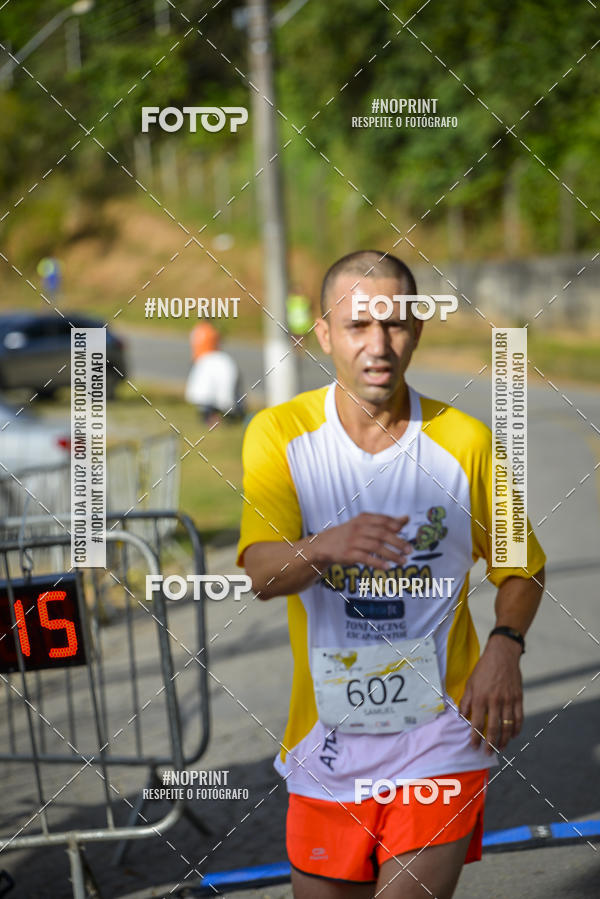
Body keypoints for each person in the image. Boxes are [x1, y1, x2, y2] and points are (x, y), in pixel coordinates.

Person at [236, 250, 545, 899]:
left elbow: (522, 567)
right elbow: (263, 573)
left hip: (440, 741)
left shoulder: (467, 442)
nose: (379, 345)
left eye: (396, 324)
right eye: (358, 326)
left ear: (417, 329)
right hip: (325, 744)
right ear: (324, 333)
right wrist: (328, 544)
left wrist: (504, 647)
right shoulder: (280, 435)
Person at [185, 322, 245, 423]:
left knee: (205, 391)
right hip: (208, 358)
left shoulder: (197, 330)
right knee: (208, 392)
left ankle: (214, 416)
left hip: (202, 359)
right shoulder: (212, 331)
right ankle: (219, 416)